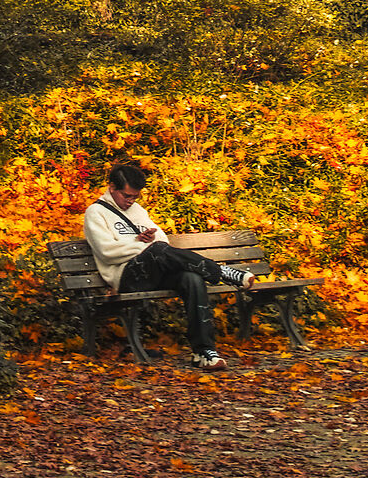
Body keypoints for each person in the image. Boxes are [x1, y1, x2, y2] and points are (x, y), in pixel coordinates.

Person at [83, 155, 257, 371]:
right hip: (125, 277)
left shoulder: (137, 211)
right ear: (112, 188)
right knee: (156, 250)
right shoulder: (95, 212)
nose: (130, 201)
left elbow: (162, 240)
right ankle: (220, 272)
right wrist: (143, 245)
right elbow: (107, 251)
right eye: (126, 196)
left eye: (135, 197)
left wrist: (145, 244)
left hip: (153, 271)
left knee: (192, 278)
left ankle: (204, 351)